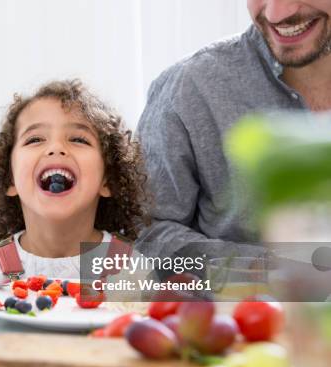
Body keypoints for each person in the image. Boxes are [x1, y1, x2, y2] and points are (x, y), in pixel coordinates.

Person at [136, 0, 331, 261]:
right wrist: (268, 269)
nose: (276, 13)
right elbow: (147, 233)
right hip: (244, 301)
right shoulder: (190, 87)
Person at [0, 80, 149, 289]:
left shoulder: (131, 271)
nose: (56, 147)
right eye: (35, 139)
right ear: (10, 179)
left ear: (108, 179)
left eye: (79, 140)